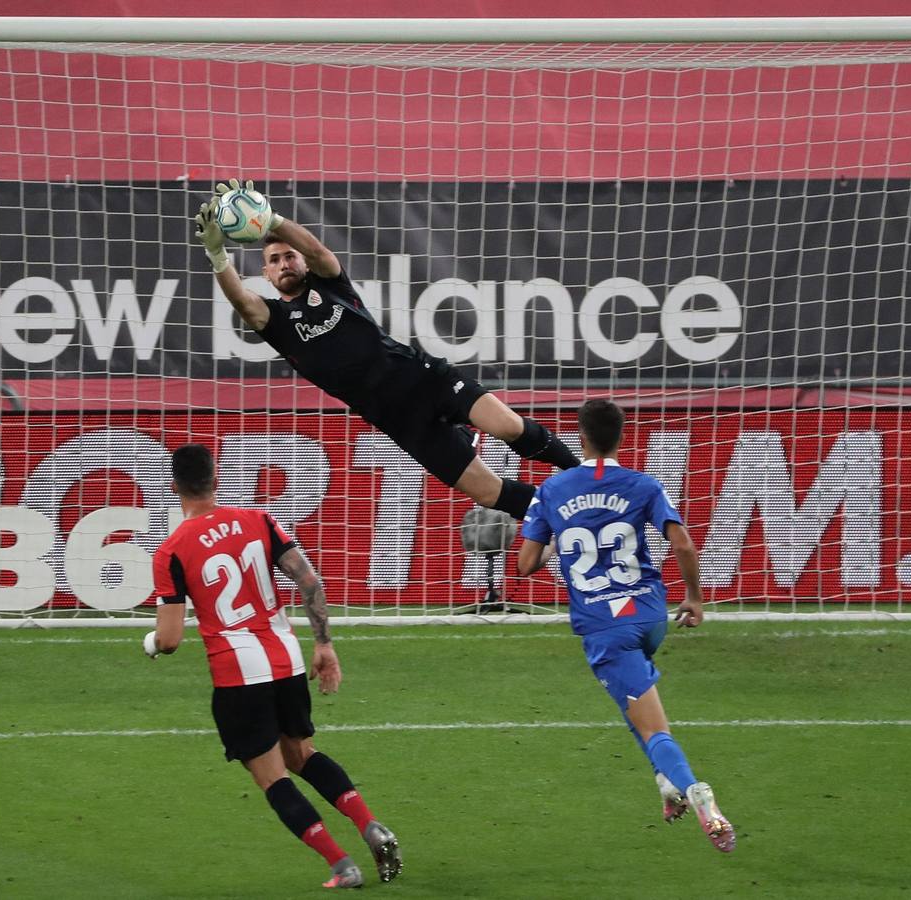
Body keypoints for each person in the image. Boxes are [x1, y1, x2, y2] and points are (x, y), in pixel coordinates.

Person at [194, 179, 579, 522]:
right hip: (399, 421)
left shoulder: (329, 283)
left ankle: (582, 475)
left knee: (509, 426)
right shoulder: (275, 321)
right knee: (487, 492)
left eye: (288, 255)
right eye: (274, 261)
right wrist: (218, 257)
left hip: (427, 380)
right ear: (266, 274)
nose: (284, 263)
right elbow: (244, 303)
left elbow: (316, 249)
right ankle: (557, 515)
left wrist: (270, 219)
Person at [145, 443, 403, 889]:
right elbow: (309, 580)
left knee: (272, 777)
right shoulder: (258, 520)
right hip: (285, 662)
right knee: (301, 754)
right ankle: (370, 825)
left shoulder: (172, 549)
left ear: (174, 487)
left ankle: (342, 866)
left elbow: (170, 640)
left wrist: (150, 643)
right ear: (216, 480)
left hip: (236, 675)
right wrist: (324, 645)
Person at [514, 399, 736, 853]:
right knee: (633, 700)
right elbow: (684, 544)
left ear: (580, 437)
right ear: (621, 437)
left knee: (656, 730)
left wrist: (559, 531)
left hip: (604, 627)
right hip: (651, 616)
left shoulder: (552, 489)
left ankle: (700, 796)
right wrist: (694, 598)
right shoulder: (643, 484)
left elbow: (525, 565)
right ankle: (666, 785)